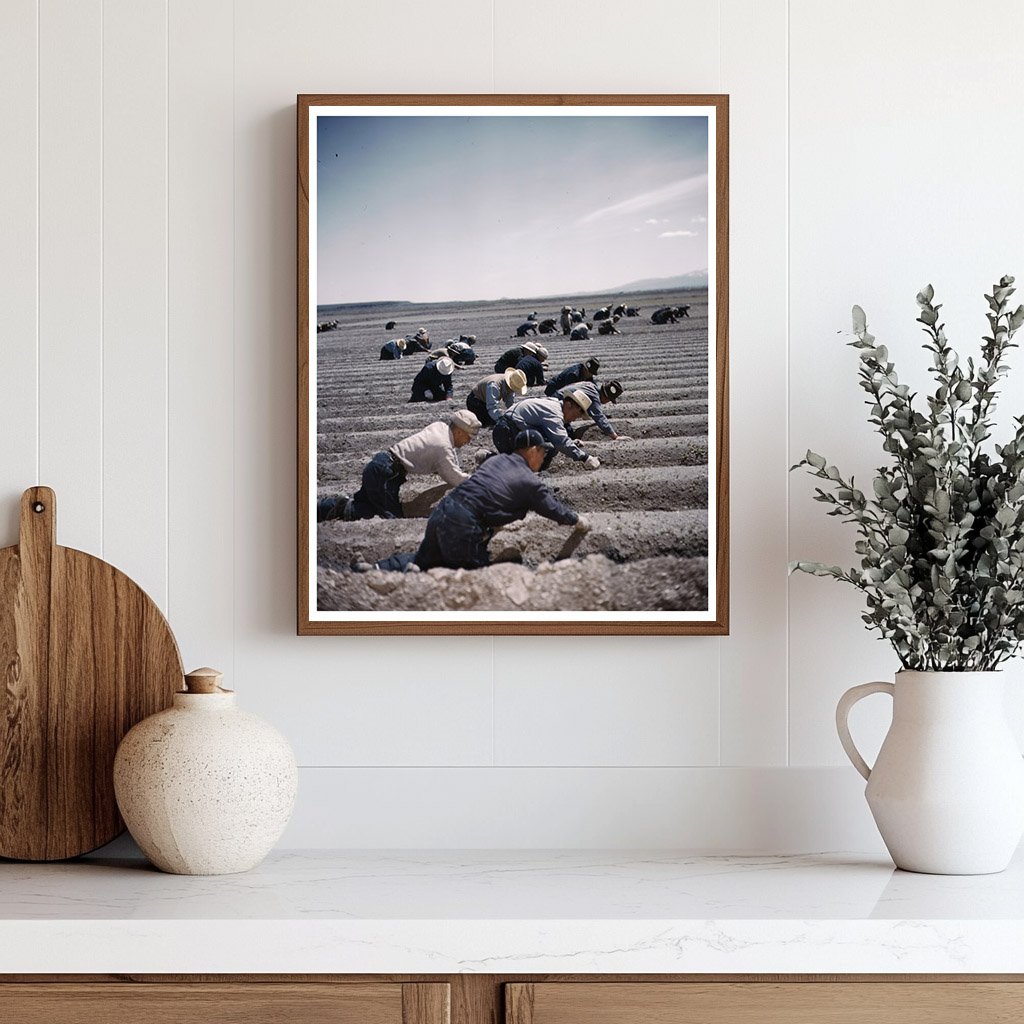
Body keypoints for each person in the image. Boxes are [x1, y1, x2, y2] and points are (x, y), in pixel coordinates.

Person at [366, 429, 590, 573]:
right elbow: (552, 508)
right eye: (543, 452)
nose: (543, 458)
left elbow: (490, 493)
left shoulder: (497, 461)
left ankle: (378, 568)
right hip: (464, 524)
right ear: (532, 450)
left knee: (424, 558)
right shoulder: (529, 481)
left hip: (443, 511)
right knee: (476, 575)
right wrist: (576, 519)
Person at [317, 410, 481, 522]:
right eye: (468, 438)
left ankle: (324, 508)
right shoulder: (443, 448)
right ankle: (334, 507)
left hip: (381, 465)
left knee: (366, 507)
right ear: (459, 432)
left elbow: (448, 459)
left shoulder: (440, 427)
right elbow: (454, 477)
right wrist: (479, 482)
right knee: (389, 519)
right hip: (386, 473)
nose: (468, 442)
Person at [491, 390, 600, 470]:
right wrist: (585, 458)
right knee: (516, 469)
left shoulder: (554, 404)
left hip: (506, 430)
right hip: (506, 432)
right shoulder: (555, 413)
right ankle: (489, 460)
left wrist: (571, 442)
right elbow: (560, 442)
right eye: (576, 415)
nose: (574, 419)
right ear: (568, 404)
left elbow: (552, 435)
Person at [556, 379, 629, 441]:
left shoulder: (591, 386)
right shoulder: (594, 397)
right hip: (561, 403)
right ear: (606, 398)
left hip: (558, 397)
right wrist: (615, 436)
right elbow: (599, 417)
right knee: (564, 435)